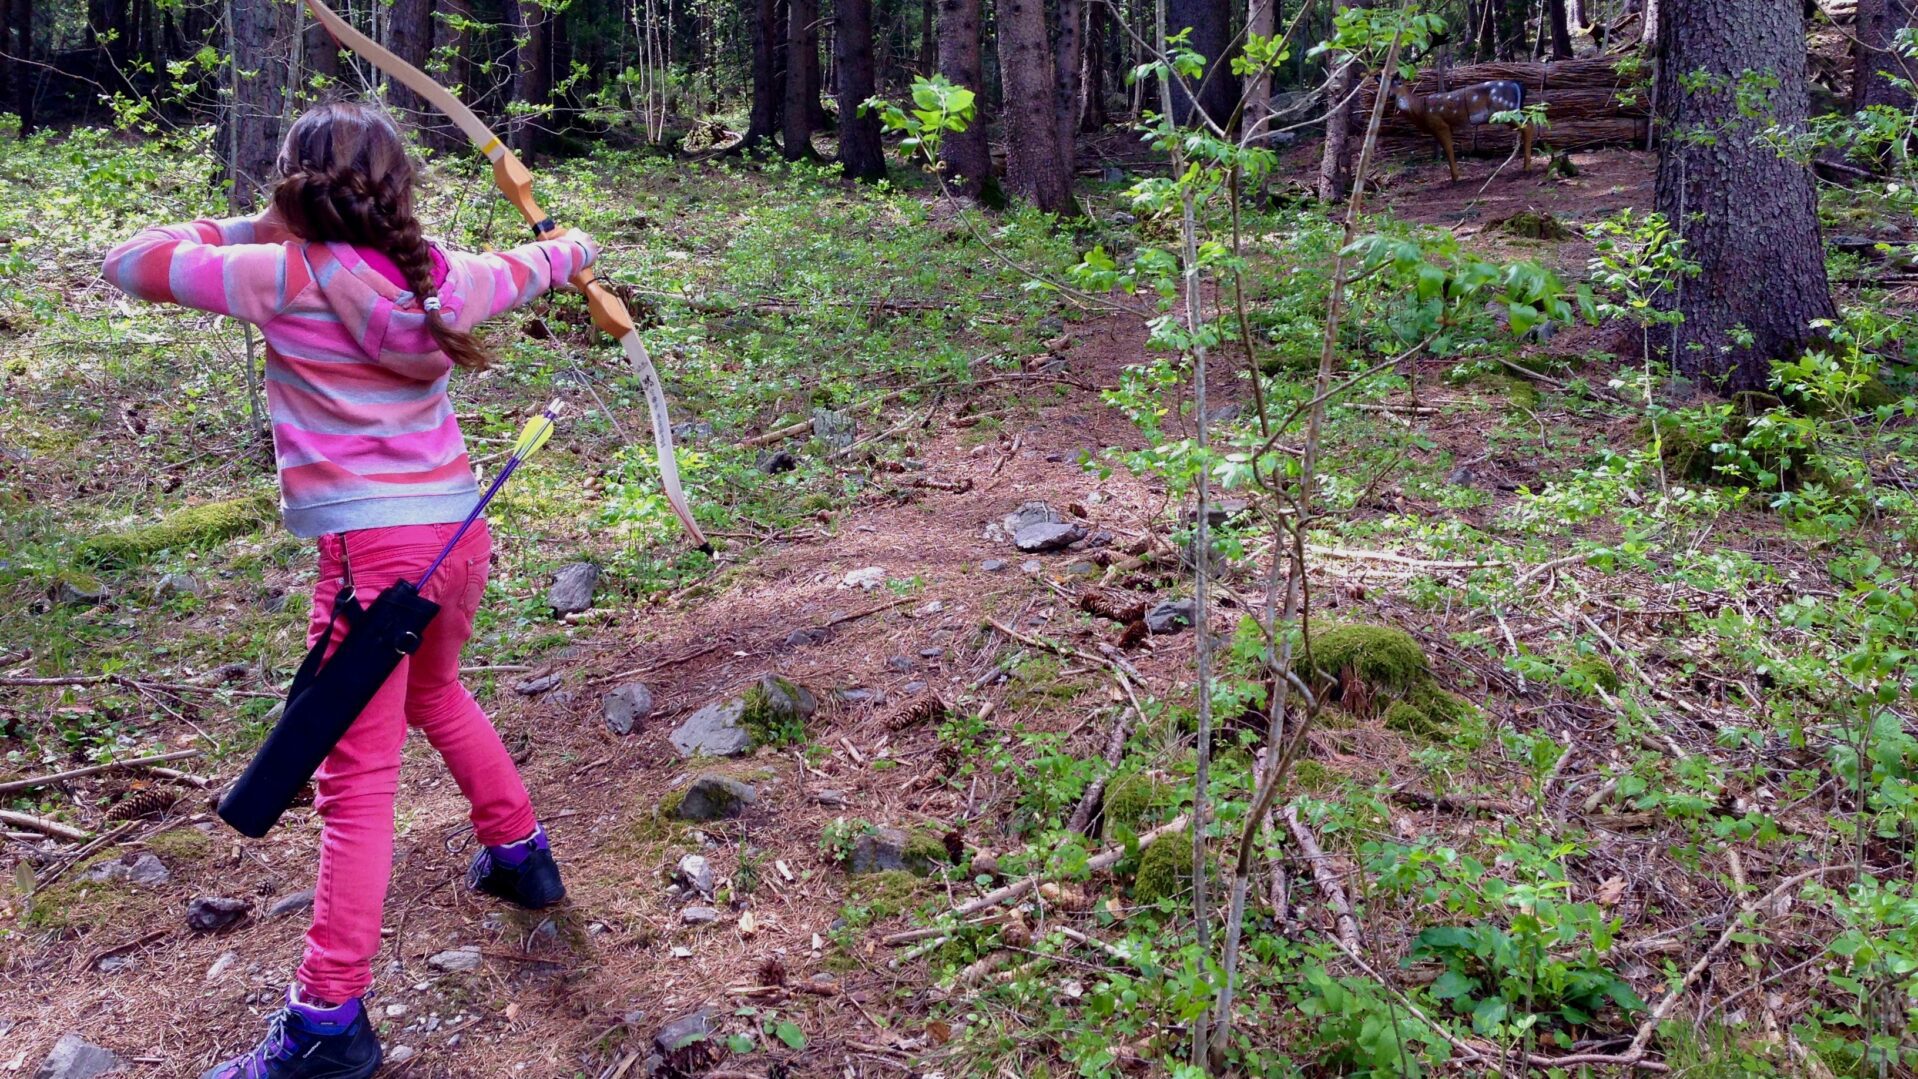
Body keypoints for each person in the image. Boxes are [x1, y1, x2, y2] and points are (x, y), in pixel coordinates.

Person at [103, 101, 594, 1079]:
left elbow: (130, 258)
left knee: (353, 777)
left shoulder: (280, 271)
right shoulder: (434, 272)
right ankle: (522, 856)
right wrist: (572, 246)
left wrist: (256, 226)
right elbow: (531, 264)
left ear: (294, 185)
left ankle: (329, 1020)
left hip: (374, 560)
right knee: (438, 692)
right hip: (457, 535)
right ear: (397, 186)